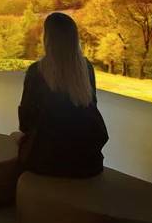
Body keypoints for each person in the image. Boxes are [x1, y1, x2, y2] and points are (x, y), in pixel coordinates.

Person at [10, 12, 108, 178]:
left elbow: (25, 124)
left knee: (14, 138)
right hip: (89, 164)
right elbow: (92, 107)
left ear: (47, 39)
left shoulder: (37, 71)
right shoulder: (86, 68)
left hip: (47, 162)